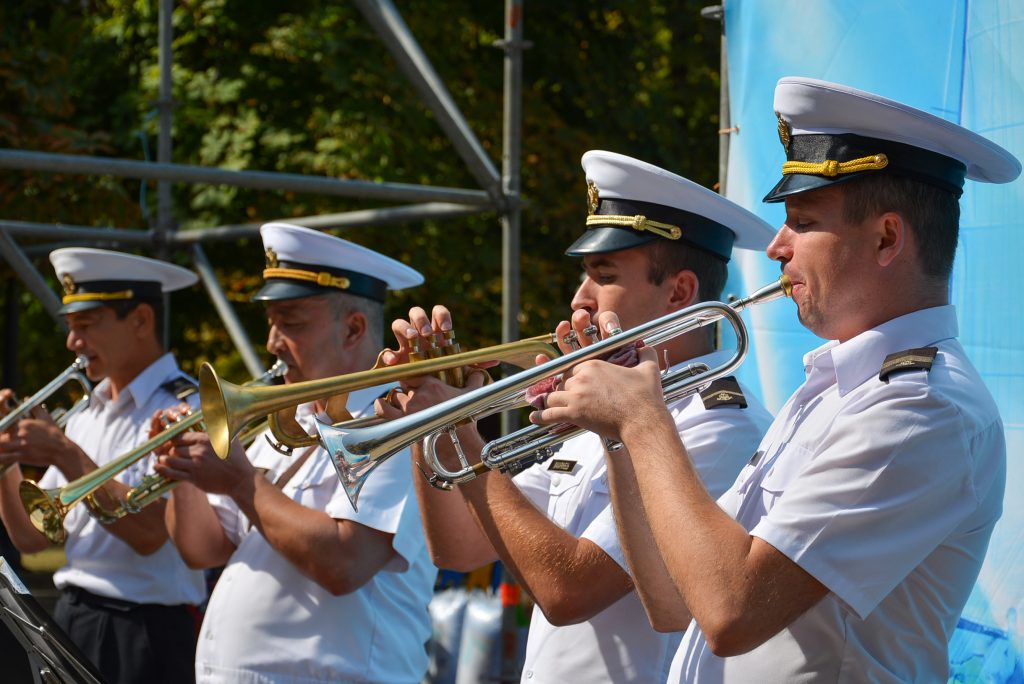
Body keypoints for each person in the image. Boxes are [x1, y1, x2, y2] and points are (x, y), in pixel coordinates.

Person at [531, 77, 1022, 682]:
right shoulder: (834, 392)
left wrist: (641, 419)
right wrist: (618, 435)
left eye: (802, 220)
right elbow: (668, 601)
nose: (777, 248)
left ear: (887, 237)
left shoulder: (925, 406)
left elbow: (732, 609)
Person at [378, 151, 776, 683]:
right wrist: (430, 423)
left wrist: (454, 433)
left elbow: (568, 591)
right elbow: (460, 547)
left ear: (678, 293)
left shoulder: (719, 425)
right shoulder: (602, 406)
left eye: (602, 276)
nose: (578, 300)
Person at [154, 222, 436, 683]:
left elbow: (346, 562)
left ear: (353, 329)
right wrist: (183, 472)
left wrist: (241, 481)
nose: (271, 343)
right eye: (271, 322)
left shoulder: (396, 423)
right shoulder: (290, 421)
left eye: (291, 323)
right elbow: (203, 549)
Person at [0, 247, 205, 684]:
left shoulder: (186, 409)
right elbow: (33, 538)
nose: (72, 343)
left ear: (141, 321)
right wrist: (5, 465)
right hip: (74, 616)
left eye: (86, 326)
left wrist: (64, 454)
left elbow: (151, 534)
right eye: (71, 328)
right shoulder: (88, 412)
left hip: (147, 631)